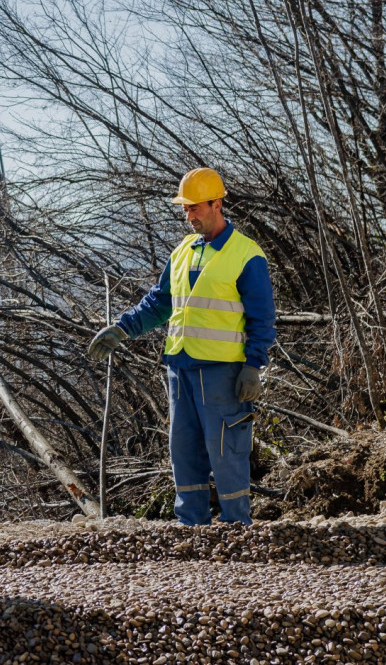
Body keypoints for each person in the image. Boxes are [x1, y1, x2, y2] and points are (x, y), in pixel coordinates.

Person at [88, 167, 276, 525]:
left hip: (223, 371)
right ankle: (191, 526)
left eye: (195, 208)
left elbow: (262, 319)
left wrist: (254, 365)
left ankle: (236, 526)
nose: (189, 216)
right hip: (180, 368)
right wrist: (122, 329)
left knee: (226, 449)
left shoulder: (246, 255)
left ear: (217, 204)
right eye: (185, 209)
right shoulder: (183, 250)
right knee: (184, 449)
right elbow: (160, 302)